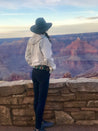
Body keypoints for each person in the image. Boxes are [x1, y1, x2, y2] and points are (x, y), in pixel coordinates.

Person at [25, 17, 56, 131]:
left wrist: (34, 64)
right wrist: (52, 67)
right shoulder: (44, 40)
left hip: (34, 71)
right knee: (41, 99)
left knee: (37, 98)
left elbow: (27, 56)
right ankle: (38, 127)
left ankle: (40, 121)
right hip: (43, 72)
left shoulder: (31, 40)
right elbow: (48, 57)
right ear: (45, 28)